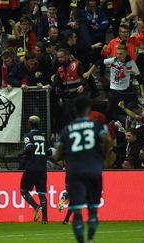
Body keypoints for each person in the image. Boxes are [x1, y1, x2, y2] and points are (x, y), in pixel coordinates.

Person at [54, 96, 111, 243]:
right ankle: (90, 239)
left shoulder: (67, 130)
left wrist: (55, 153)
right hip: (93, 170)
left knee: (77, 212)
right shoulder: (97, 125)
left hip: (75, 172)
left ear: (75, 111)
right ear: (89, 110)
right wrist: (104, 159)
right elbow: (107, 139)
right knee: (92, 210)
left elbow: (57, 155)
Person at [21, 116, 51, 224]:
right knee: (42, 194)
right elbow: (50, 152)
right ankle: (45, 219)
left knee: (23, 190)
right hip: (42, 169)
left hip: (31, 168)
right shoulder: (44, 138)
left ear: (29, 124)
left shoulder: (28, 136)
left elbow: (29, 149)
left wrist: (22, 153)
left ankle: (36, 206)